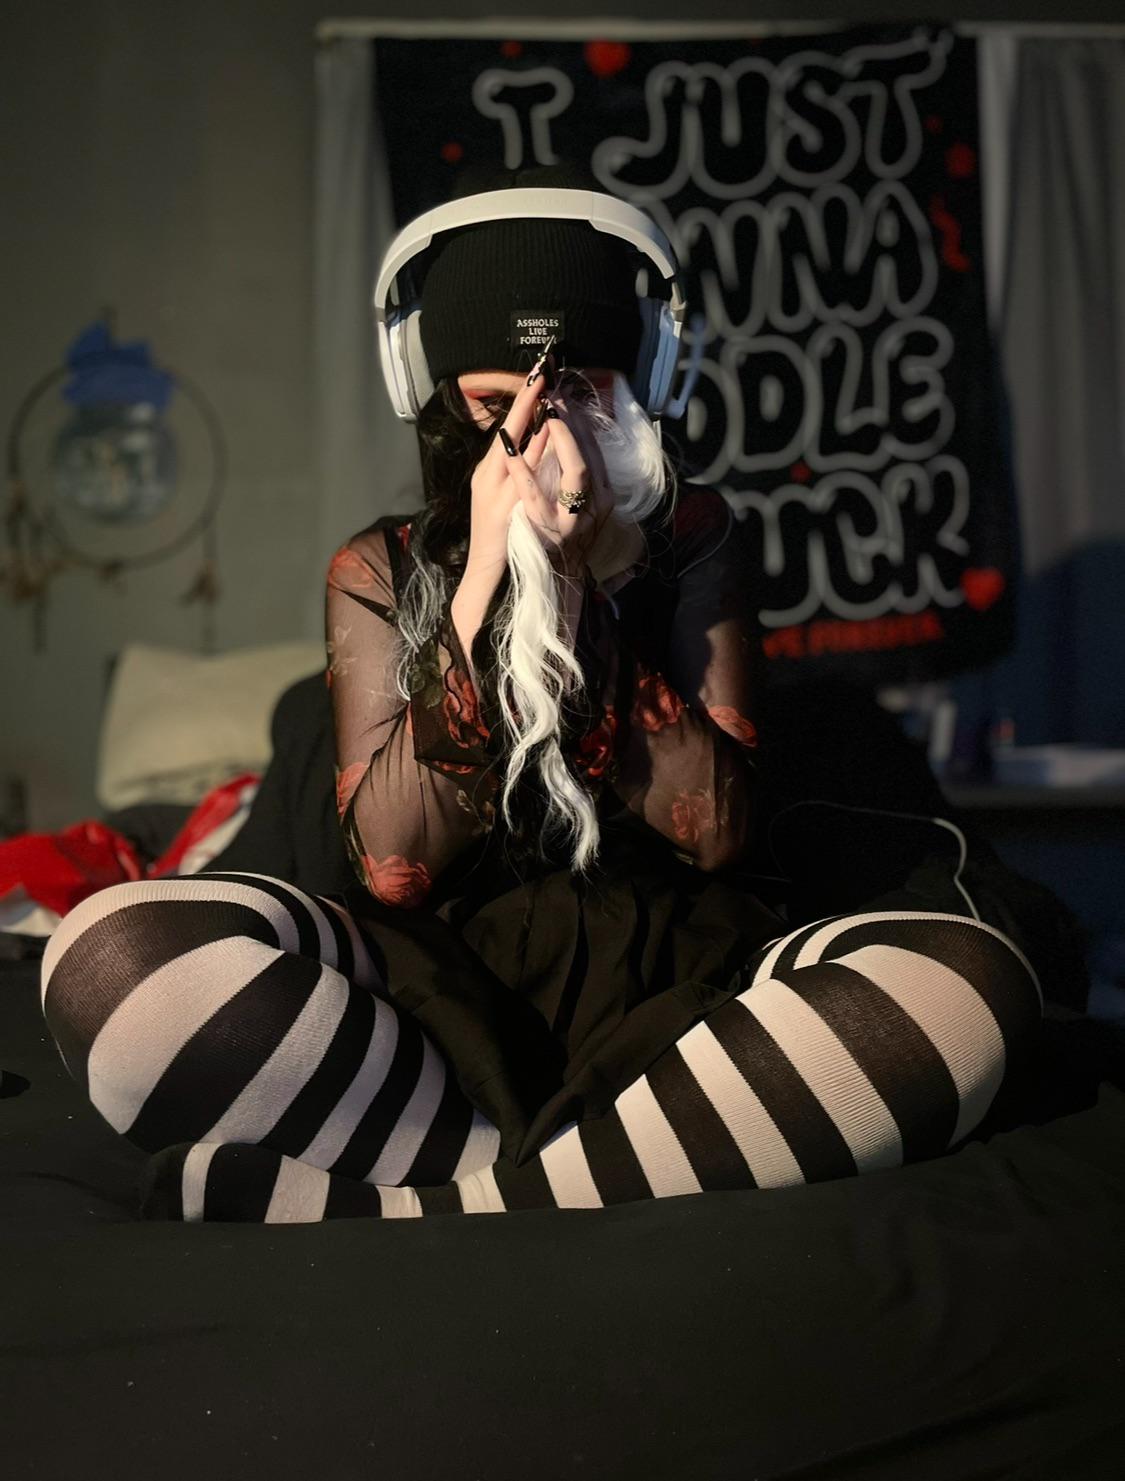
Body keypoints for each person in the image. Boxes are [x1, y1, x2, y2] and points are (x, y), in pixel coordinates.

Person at [40, 163, 1048, 1222]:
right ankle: (571, 1174)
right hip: (434, 994)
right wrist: (486, 584)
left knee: (966, 981)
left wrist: (578, 591)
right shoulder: (377, 566)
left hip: (680, 993)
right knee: (105, 959)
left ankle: (461, 1201)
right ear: (437, 396)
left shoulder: (694, 537)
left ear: (644, 382)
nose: (535, 435)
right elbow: (393, 863)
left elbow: (717, 831)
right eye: (494, 403)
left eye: (581, 393)